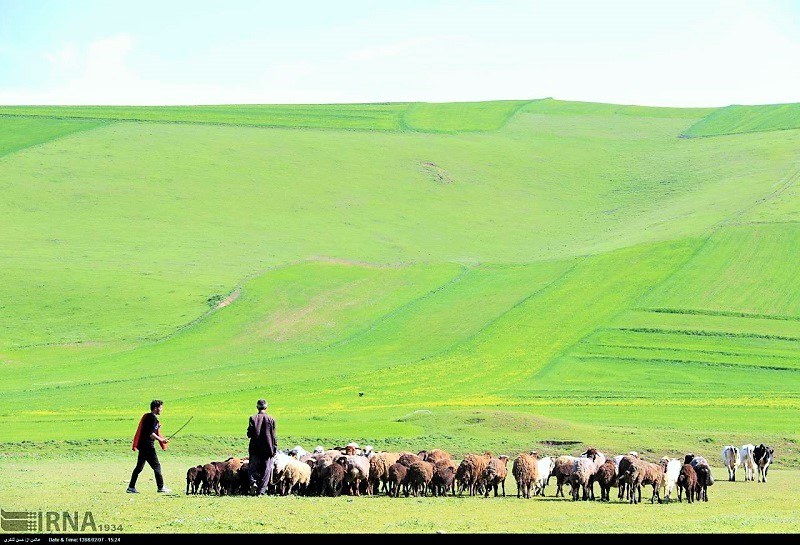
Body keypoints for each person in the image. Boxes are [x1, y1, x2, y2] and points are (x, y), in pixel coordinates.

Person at [127, 399, 171, 493]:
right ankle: (161, 487)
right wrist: (162, 440)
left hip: (143, 446)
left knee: (139, 467)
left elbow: (149, 430)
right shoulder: (152, 418)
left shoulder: (148, 417)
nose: (161, 409)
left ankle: (131, 487)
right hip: (148, 446)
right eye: (160, 407)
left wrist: (157, 429)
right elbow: (151, 434)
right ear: (156, 408)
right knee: (157, 466)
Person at [247, 398, 277, 496]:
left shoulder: (252, 418)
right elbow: (273, 435)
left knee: (252, 468)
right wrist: (274, 448)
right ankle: (261, 491)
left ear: (257, 407)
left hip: (255, 448)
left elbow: (249, 434)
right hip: (268, 449)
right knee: (266, 470)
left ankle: (253, 482)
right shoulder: (271, 419)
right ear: (266, 407)